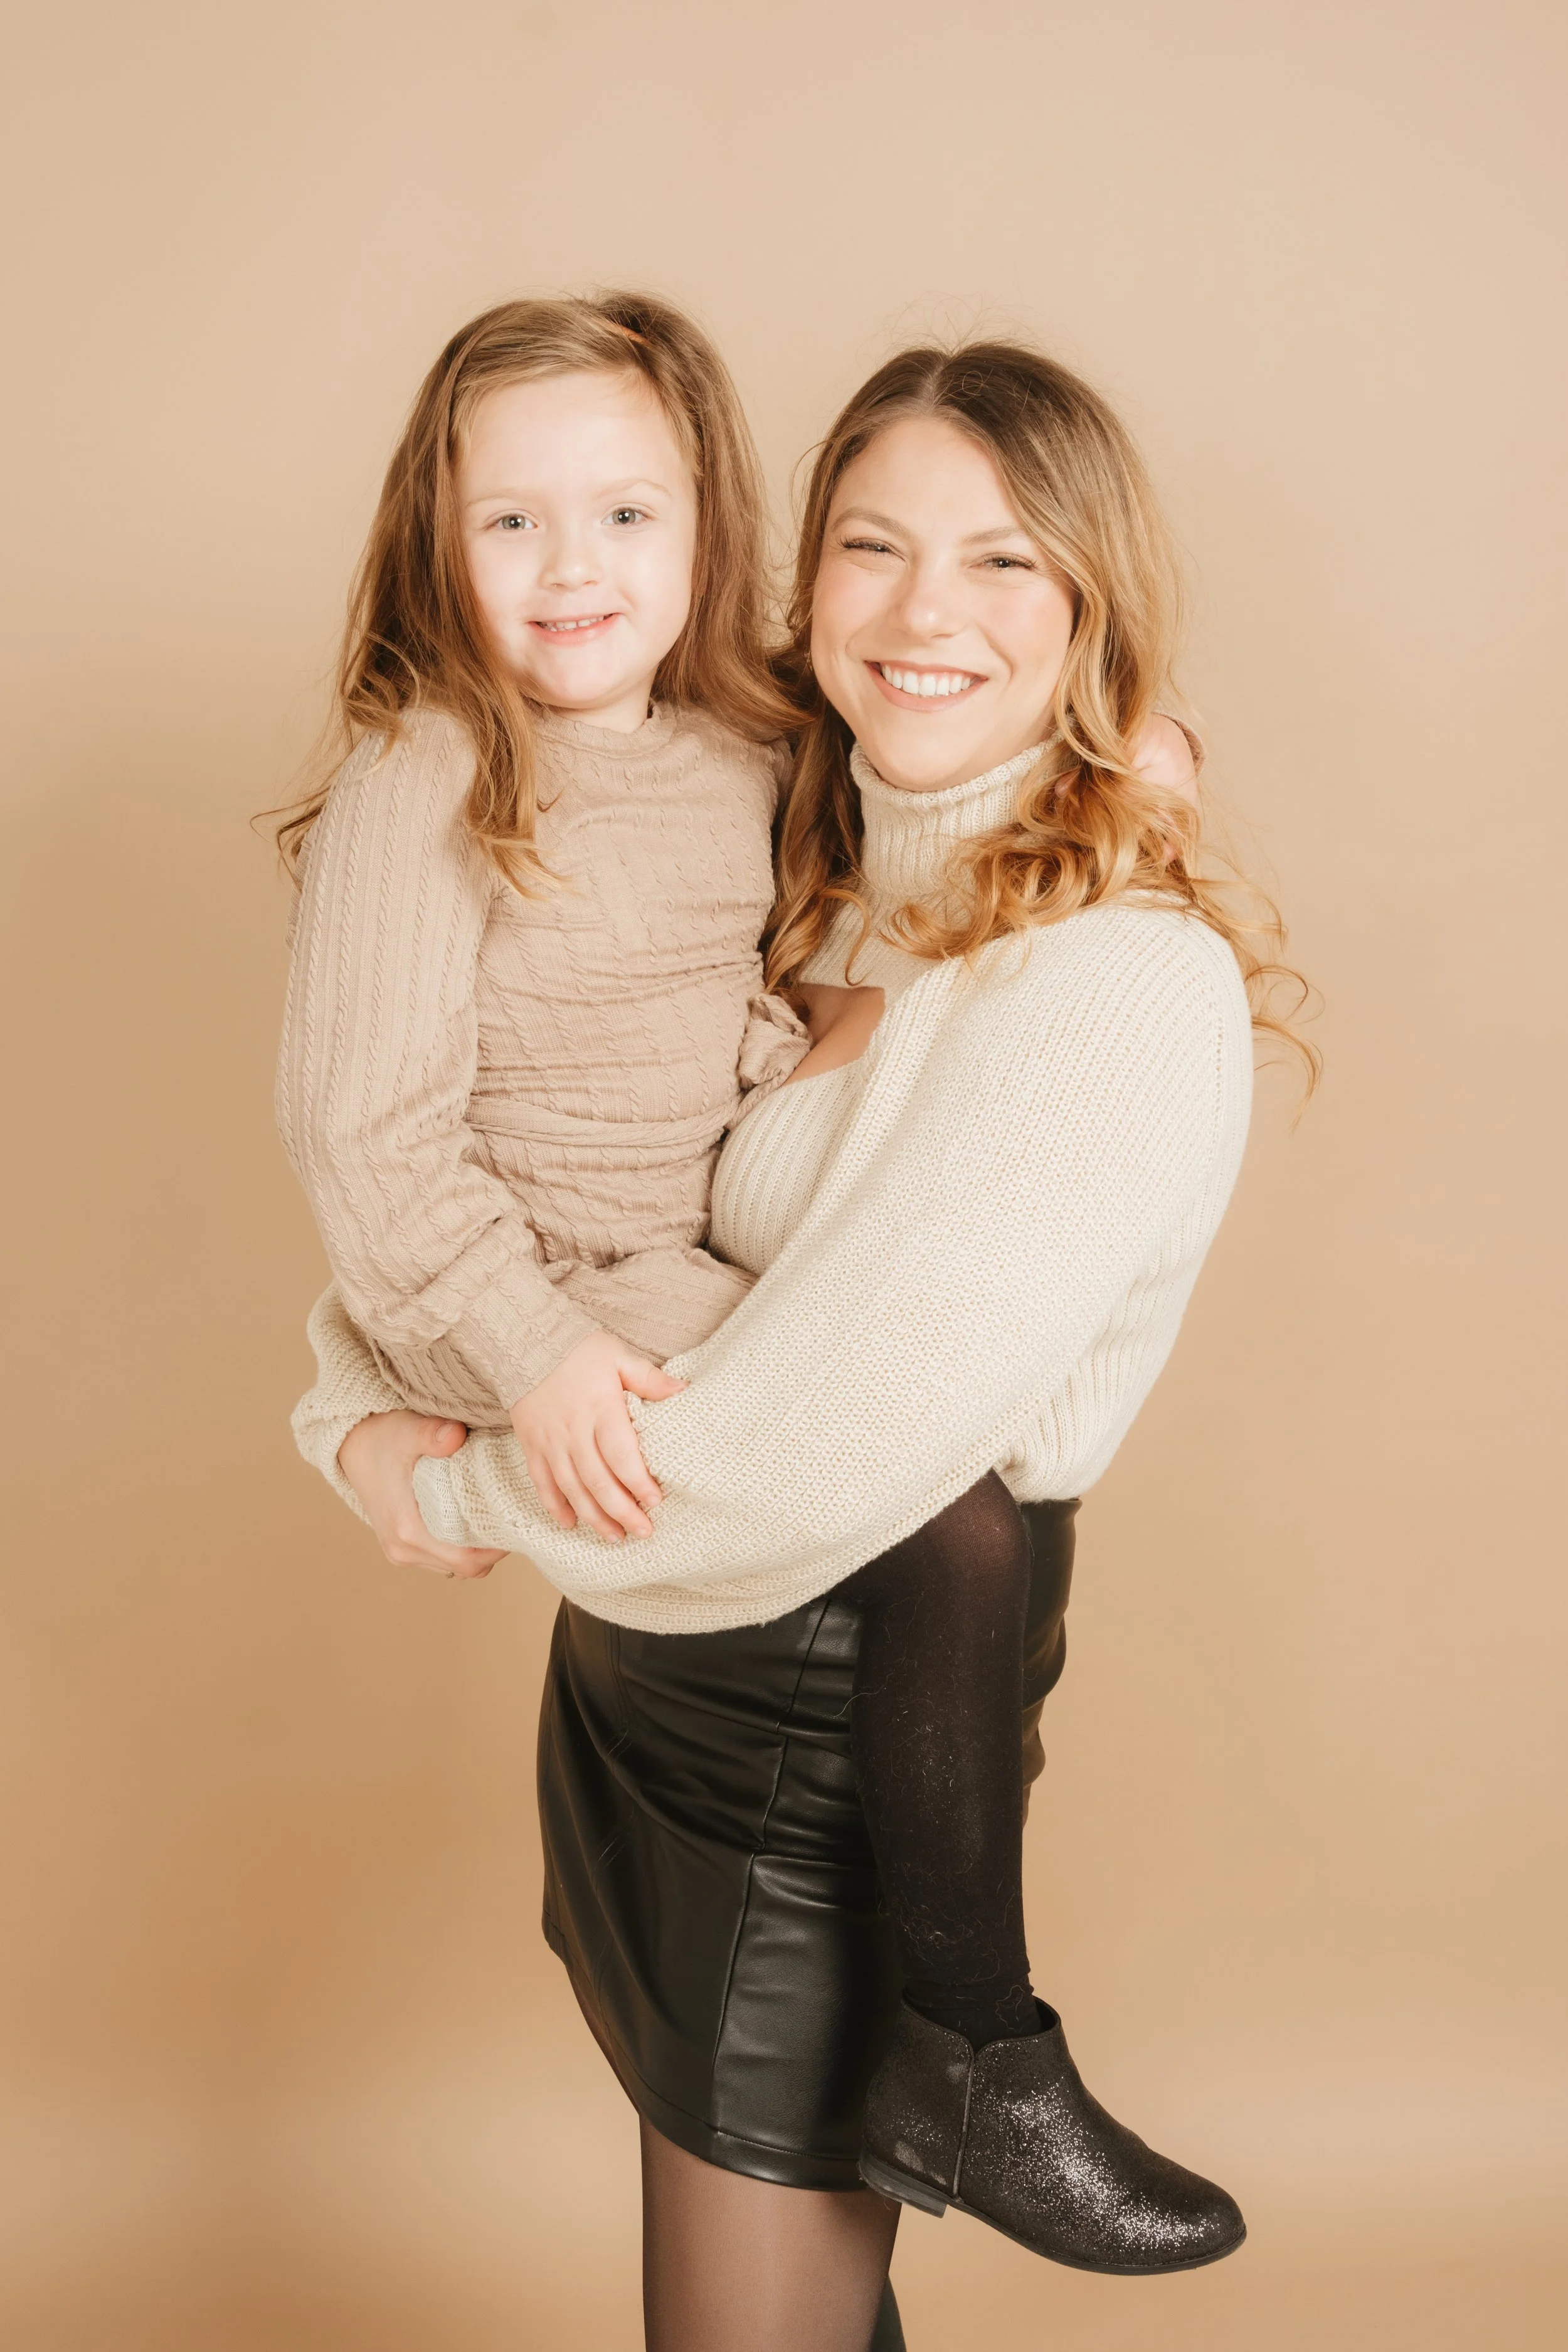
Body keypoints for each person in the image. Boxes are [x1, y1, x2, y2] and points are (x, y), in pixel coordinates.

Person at [285, 327, 1304, 2349]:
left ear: (1091, 605)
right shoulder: (811, 838)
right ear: (800, 574)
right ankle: (976, 2064)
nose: (925, 611)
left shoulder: (1106, 977)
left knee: (759, 2316)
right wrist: (352, 1409)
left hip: (832, 1696)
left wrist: (431, 1475)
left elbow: (828, 1444)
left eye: (1006, 561)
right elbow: (453, 1136)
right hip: (667, 1640)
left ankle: (984, 2054)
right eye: (874, 547)